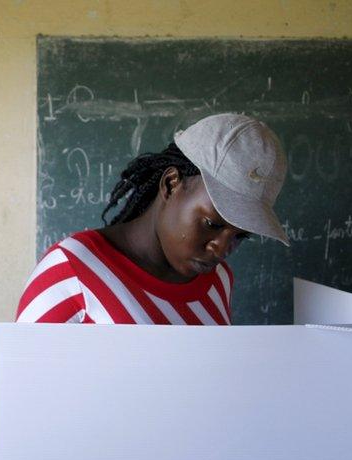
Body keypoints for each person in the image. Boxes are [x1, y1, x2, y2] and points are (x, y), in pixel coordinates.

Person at [15, 113, 290, 324]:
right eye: (212, 224)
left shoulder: (218, 280)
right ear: (171, 184)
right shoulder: (72, 271)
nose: (221, 249)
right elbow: (23, 391)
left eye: (240, 235)